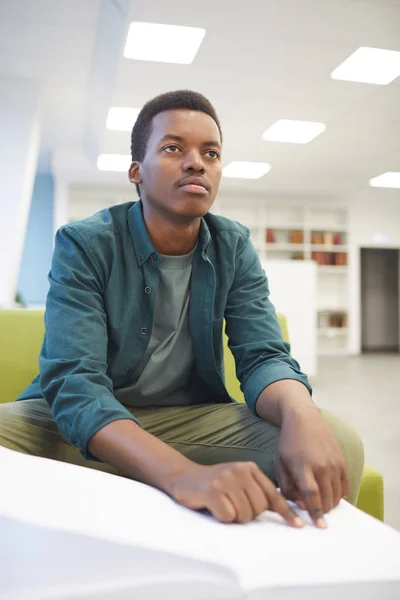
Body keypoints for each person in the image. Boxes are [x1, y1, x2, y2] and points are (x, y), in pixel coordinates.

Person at [0, 90, 364, 527]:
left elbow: (263, 356)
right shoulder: (85, 242)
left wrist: (301, 412)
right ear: (136, 171)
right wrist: (180, 474)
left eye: (210, 153)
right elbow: (75, 383)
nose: (197, 163)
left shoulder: (233, 245)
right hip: (87, 418)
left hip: (189, 419)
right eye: (174, 148)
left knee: (336, 440)